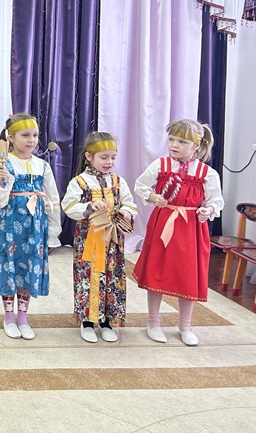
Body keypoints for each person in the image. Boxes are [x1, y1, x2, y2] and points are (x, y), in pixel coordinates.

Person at [132, 119, 223, 346]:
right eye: (172, 139)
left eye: (182, 141)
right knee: (157, 271)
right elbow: (140, 185)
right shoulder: (160, 165)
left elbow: (216, 200)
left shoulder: (207, 173)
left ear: (196, 145)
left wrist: (208, 210)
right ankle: (153, 323)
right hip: (162, 224)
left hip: (190, 228)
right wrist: (152, 196)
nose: (174, 145)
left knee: (186, 274)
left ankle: (185, 325)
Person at [0, 113, 61, 341]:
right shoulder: (3, 164)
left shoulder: (42, 165)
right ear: (11, 137)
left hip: (34, 225)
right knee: (10, 267)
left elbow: (52, 198)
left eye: (35, 135)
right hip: (8, 224)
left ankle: (23, 317)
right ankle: (9, 316)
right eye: (25, 135)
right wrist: (4, 182)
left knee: (29, 267)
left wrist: (53, 231)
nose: (32, 140)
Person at [62, 132, 137, 343]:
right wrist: (88, 207)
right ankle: (87, 322)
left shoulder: (118, 181)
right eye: (104, 157)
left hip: (112, 240)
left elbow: (129, 202)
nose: (109, 162)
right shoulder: (80, 182)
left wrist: (126, 211)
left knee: (112, 276)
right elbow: (69, 206)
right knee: (88, 276)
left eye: (113, 157)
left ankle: (107, 322)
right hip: (89, 239)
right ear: (89, 156)